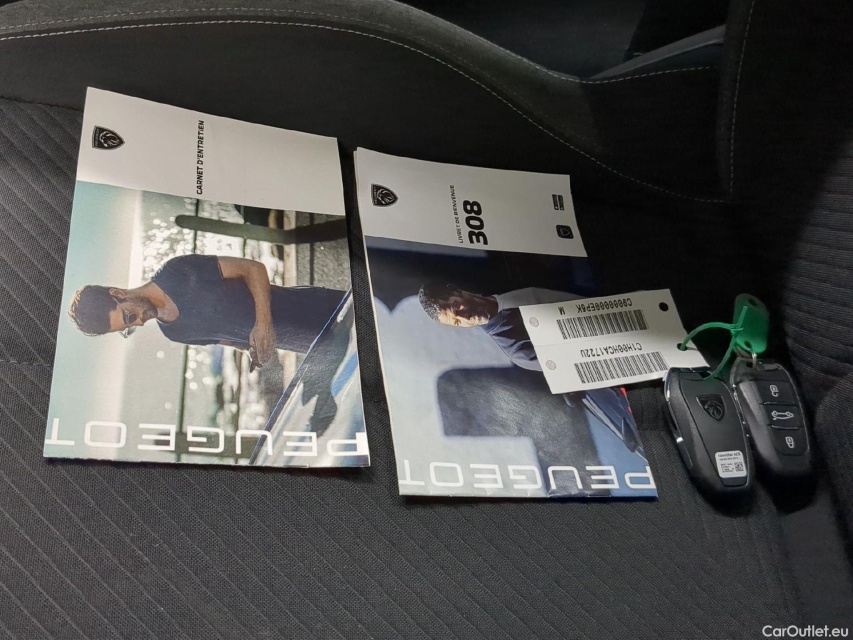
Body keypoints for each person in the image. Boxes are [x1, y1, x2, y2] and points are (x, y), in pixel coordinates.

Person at [417, 282, 642, 453]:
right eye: (457, 321)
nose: (466, 317)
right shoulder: (518, 349)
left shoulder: (516, 285)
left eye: (457, 307)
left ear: (458, 291)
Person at [69, 254, 345, 366]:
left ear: (118, 294)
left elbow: (252, 268)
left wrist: (263, 323)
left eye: (129, 316)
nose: (138, 323)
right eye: (129, 328)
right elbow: (226, 339)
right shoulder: (174, 333)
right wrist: (252, 350)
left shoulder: (176, 271)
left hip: (321, 308)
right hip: (312, 346)